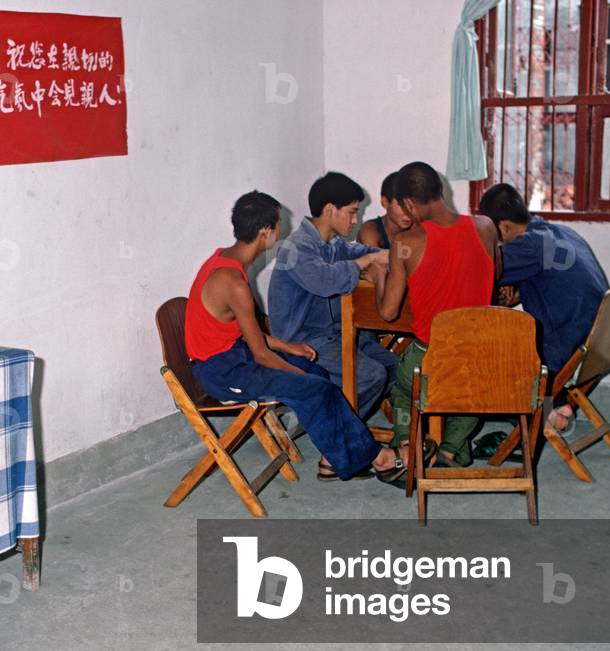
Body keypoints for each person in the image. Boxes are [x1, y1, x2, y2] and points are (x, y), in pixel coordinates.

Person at [186, 190, 406, 485]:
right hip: (222, 371)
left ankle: (339, 457)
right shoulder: (233, 282)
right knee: (315, 387)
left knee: (318, 374)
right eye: (278, 224)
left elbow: (245, 334)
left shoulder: (222, 260)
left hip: (234, 354)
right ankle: (379, 459)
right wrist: (300, 376)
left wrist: (289, 348)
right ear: (266, 230)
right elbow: (261, 353)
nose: (281, 230)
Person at [372, 162, 500, 469]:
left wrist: (380, 276)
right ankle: (451, 450)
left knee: (402, 391)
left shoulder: (405, 243)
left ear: (409, 204)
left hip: (430, 362)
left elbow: (389, 313)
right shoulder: (485, 227)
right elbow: (496, 275)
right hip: (476, 358)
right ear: (440, 191)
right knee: (469, 393)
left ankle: (406, 444)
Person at [267, 172, 398, 423]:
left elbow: (363, 251)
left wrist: (394, 255)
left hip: (337, 334)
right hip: (303, 341)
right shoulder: (296, 247)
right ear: (329, 209)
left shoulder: (333, 243)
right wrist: (368, 261)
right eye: (351, 212)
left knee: (396, 368)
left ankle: (339, 424)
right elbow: (326, 281)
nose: (356, 219)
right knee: (371, 376)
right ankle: (336, 432)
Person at [478, 183, 608, 432]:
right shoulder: (561, 232)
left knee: (487, 346)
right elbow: (551, 280)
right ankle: (559, 404)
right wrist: (516, 289)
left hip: (562, 343)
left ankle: (545, 411)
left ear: (503, 226)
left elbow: (481, 271)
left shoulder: (528, 245)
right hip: (594, 337)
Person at [357, 172, 415, 249]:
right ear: (385, 203)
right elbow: (376, 259)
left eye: (413, 205)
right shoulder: (370, 230)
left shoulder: (419, 228)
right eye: (402, 205)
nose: (409, 212)